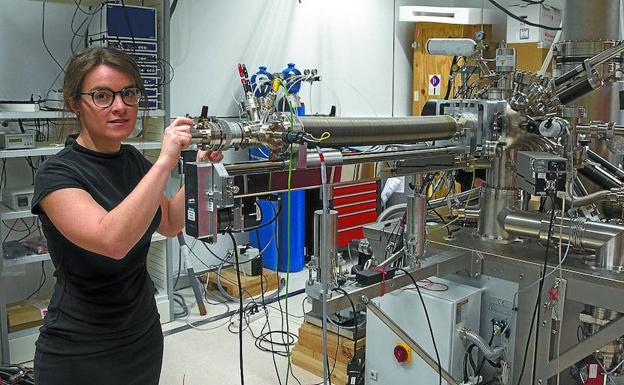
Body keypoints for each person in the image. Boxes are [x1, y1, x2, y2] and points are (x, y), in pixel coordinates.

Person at [31, 47, 220, 384]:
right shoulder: (56, 174)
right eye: (102, 96)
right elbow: (113, 241)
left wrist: (201, 164)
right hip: (80, 346)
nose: (119, 106)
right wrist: (164, 161)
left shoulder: (132, 161)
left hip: (141, 332)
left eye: (128, 93)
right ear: (75, 103)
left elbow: (170, 221)